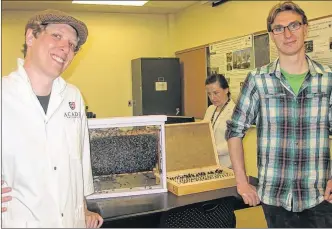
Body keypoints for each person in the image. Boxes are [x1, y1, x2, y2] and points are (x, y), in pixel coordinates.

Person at [226, 1, 332, 228]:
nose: (287, 34)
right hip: (274, 198)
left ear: (306, 28)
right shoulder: (257, 80)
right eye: (279, 28)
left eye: (294, 25)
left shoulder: (328, 80)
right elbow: (234, 131)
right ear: (272, 35)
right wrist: (242, 182)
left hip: (320, 196)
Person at [1, 9, 103, 228]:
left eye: (72, 45)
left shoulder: (73, 96)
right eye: (57, 36)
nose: (66, 48)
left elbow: (81, 161)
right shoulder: (3, 95)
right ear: (31, 37)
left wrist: (84, 210)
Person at [204, 74, 235, 168]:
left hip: (227, 165)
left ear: (226, 90)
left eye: (216, 93)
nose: (212, 98)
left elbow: (234, 142)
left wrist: (214, 151)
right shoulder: (210, 109)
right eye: (209, 94)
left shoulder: (235, 112)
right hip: (209, 163)